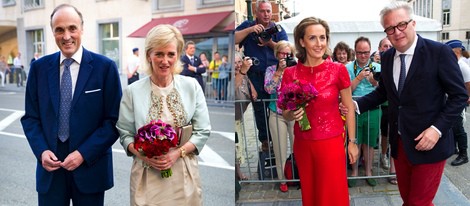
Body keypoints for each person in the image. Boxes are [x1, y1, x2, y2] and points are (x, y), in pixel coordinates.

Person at [354, 2, 468, 205]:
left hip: (430, 144)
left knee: (417, 202)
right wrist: (355, 106)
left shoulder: (439, 53)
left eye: (402, 25)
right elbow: (383, 92)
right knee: (409, 199)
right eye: (390, 28)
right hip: (401, 144)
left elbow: (459, 96)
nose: (397, 32)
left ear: (413, 23)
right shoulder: (387, 58)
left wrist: (437, 129)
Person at [20, 4, 123, 206]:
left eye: (72, 28)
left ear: (81, 29)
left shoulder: (105, 68)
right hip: (51, 170)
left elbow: (113, 121)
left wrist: (83, 154)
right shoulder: (39, 68)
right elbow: (30, 118)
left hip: (90, 168)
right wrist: (41, 151)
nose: (66, 36)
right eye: (60, 30)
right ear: (53, 32)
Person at [116, 24, 211, 205]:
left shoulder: (192, 87)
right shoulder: (132, 91)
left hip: (183, 173)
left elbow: (203, 131)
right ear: (148, 56)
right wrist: (144, 156)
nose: (164, 60)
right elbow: (125, 134)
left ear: (178, 55)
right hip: (146, 175)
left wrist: (177, 154)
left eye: (170, 54)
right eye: (159, 54)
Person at [280, 16, 358, 206]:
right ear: (301, 41)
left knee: (332, 193)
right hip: (304, 144)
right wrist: (292, 114)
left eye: (322, 38)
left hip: (331, 143)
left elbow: (348, 108)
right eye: (313, 38)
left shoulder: (338, 70)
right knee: (311, 193)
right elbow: (284, 111)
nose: (319, 43)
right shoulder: (291, 73)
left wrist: (352, 142)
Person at [235, 0, 288, 151]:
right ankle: (265, 140)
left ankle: (277, 138)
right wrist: (250, 30)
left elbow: (286, 49)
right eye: (263, 11)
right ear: (257, 12)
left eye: (268, 11)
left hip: (274, 74)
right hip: (255, 75)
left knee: (274, 106)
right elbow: (235, 38)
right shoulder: (248, 25)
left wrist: (270, 43)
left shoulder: (277, 28)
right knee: (259, 108)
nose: (266, 14)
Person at [346, 36, 381, 187]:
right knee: (355, 141)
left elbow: (383, 90)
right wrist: (359, 78)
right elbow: (347, 91)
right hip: (354, 110)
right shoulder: (348, 68)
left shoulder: (377, 67)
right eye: (360, 52)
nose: (363, 56)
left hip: (373, 109)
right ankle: (354, 172)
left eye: (366, 52)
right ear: (355, 52)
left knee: (370, 142)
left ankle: (368, 171)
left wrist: (374, 81)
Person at [263, 40, 295, 192]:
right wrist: (279, 72)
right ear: (277, 54)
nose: (285, 56)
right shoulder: (270, 69)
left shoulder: (296, 67)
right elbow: (269, 89)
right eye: (282, 53)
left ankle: (298, 175)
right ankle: (282, 179)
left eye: (288, 53)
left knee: (298, 147)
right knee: (280, 148)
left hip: (296, 113)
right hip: (277, 113)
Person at [445, 40, 470, 166]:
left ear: (456, 51)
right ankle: (454, 149)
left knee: (458, 127)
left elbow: (468, 84)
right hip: (452, 100)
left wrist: (466, 98)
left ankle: (464, 154)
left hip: (458, 102)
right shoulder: (455, 64)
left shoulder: (462, 66)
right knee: (453, 126)